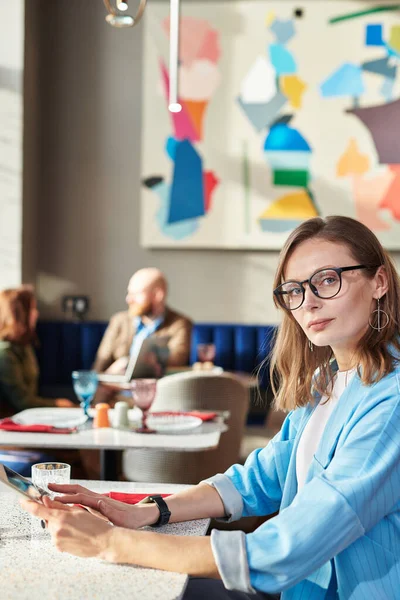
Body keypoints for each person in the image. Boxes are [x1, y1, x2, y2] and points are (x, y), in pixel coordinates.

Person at [21, 216, 400, 599]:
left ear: (379, 282)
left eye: (328, 279)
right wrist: (147, 509)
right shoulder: (328, 380)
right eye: (295, 289)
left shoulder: (392, 400)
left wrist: (110, 542)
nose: (310, 302)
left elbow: (286, 548)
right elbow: (260, 479)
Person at [93, 267, 193, 374]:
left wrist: (127, 364)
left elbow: (176, 361)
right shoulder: (119, 321)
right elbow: (98, 367)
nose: (129, 299)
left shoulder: (179, 324)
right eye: (129, 293)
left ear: (158, 295)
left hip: (156, 388)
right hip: (115, 387)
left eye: (136, 294)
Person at [0, 286, 74, 417]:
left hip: (28, 417)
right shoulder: (5, 354)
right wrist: (57, 404)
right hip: (10, 422)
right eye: (32, 309)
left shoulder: (24, 345)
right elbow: (22, 402)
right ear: (18, 314)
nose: (36, 313)